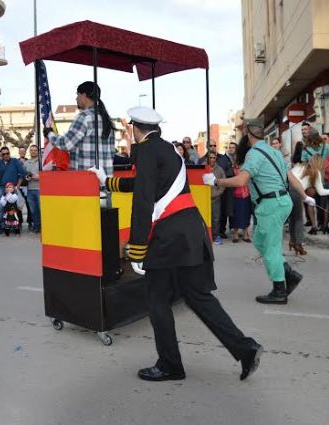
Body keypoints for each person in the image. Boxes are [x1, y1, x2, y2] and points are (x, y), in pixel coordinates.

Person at [90, 106, 263, 382]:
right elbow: (144, 183)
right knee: (199, 297)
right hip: (189, 233)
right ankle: (245, 349)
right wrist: (107, 182)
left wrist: (137, 246)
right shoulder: (169, 151)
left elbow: (143, 198)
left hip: (169, 238)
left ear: (135, 128)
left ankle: (170, 364)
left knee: (157, 299)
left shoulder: (146, 150)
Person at [206, 116, 314, 305]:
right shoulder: (275, 152)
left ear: (247, 132)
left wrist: (216, 181)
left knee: (271, 248)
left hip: (271, 204)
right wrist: (305, 197)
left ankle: (280, 290)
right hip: (282, 201)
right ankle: (287, 273)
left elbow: (241, 181)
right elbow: (291, 178)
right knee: (259, 240)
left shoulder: (254, 154)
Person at [46, 81, 115, 176]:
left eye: (77, 95)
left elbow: (66, 143)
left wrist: (49, 134)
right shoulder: (108, 119)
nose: (76, 98)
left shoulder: (84, 117)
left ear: (84, 95)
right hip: (105, 179)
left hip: (86, 179)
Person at [290, 155, 329, 235]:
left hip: (289, 190)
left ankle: (313, 227)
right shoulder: (316, 171)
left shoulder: (300, 166)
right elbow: (321, 191)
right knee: (298, 218)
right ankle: (298, 240)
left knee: (293, 217)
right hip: (298, 192)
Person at [0, 146, 26, 234]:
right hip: (2, 188)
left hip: (13, 188)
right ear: (1, 155)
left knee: (13, 208)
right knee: (1, 207)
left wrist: (18, 185)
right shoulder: (0, 162)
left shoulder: (15, 161)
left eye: (7, 153)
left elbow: (22, 173)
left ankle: (14, 226)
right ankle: (2, 226)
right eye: (3, 154)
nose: (6, 155)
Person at [231, 138, 252, 243]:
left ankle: (245, 234)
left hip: (247, 193)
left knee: (246, 214)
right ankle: (235, 234)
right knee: (237, 215)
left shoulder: (249, 163)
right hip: (237, 193)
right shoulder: (235, 165)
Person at [208, 152, 226, 245]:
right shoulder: (203, 167)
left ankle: (216, 236)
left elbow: (223, 183)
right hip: (204, 199)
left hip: (215, 198)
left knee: (216, 218)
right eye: (210, 157)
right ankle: (206, 236)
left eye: (213, 157)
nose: (212, 159)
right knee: (204, 218)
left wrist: (218, 193)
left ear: (216, 159)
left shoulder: (219, 170)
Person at [23, 144, 41, 233]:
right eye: (31, 150)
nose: (33, 152)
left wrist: (37, 177)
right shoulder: (26, 163)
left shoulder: (41, 162)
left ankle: (44, 228)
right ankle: (37, 227)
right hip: (30, 189)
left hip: (40, 189)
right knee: (33, 211)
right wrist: (27, 177)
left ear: (38, 151)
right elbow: (24, 175)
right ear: (29, 152)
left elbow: (46, 175)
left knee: (41, 210)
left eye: (35, 150)